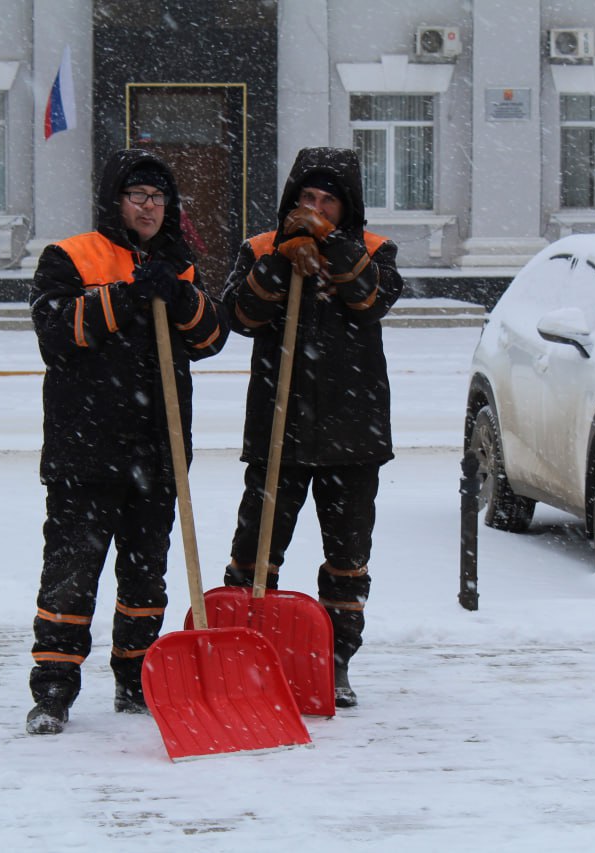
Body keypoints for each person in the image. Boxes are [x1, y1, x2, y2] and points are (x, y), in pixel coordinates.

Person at [25, 149, 229, 735]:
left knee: (145, 578)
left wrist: (179, 295)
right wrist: (126, 297)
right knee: (71, 574)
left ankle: (135, 681)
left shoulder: (179, 265)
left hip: (157, 453)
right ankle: (54, 693)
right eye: (138, 195)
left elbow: (211, 337)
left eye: (159, 197)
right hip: (84, 452)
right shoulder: (70, 256)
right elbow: (58, 330)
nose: (149, 206)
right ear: (115, 200)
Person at [219, 147, 403, 708]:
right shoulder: (259, 248)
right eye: (305, 199)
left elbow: (370, 299)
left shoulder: (373, 249)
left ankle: (337, 659)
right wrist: (282, 256)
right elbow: (240, 315)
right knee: (256, 552)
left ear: (346, 208)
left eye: (326, 201)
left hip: (353, 433)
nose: (313, 209)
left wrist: (330, 244)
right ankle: (242, 652)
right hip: (280, 430)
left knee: (347, 558)